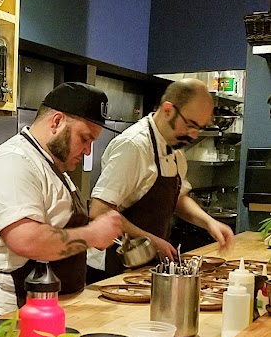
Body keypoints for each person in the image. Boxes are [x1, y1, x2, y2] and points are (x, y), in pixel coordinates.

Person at [0, 82, 122, 319]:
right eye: (84, 139)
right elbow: (26, 240)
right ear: (56, 122)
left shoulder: (51, 166)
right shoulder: (14, 163)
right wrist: (93, 234)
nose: (88, 151)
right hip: (4, 312)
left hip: (41, 306)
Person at [88, 78, 235, 279]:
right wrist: (152, 241)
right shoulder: (134, 147)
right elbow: (100, 211)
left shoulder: (175, 150)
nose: (193, 135)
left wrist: (210, 223)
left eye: (199, 128)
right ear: (168, 110)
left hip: (146, 265)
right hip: (113, 265)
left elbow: (178, 199)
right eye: (190, 125)